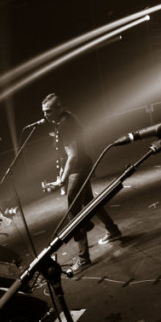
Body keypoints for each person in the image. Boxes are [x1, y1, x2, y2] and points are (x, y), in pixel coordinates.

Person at [40, 93, 122, 273]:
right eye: (44, 112)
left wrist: (62, 180)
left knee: (73, 212)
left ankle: (84, 258)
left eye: (49, 111)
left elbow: (73, 155)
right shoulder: (65, 119)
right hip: (81, 166)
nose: (45, 115)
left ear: (58, 108)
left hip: (78, 169)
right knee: (90, 202)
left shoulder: (64, 125)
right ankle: (113, 230)